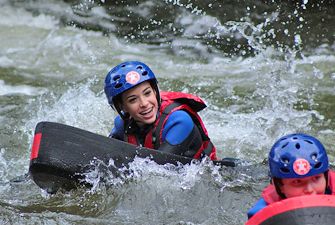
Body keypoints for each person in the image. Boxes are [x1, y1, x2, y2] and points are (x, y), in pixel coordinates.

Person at [104, 61, 217, 160]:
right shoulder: (122, 125)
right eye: (133, 100)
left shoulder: (180, 122)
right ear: (122, 107)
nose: (144, 104)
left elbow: (155, 169)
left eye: (147, 93)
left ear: (155, 91)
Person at [247, 133, 335, 219]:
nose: (310, 190)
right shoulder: (263, 213)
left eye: (316, 178)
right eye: (297, 182)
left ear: (326, 177)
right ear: (279, 186)